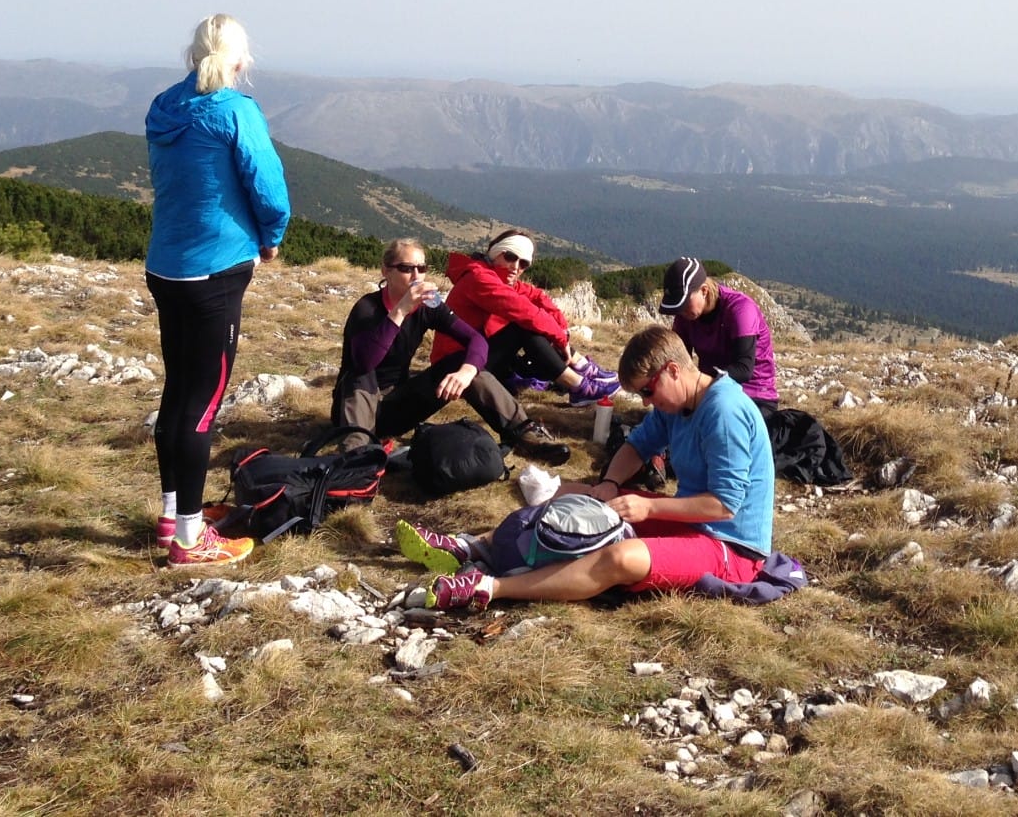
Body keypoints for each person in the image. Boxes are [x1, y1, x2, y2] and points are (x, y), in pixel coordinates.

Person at [412, 323, 775, 611]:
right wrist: (611, 484)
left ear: (673, 371)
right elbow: (636, 446)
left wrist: (647, 506)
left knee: (619, 558)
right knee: (577, 496)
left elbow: (725, 507)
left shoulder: (723, 412)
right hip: (694, 523)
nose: (647, 402)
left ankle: (489, 588)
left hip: (732, 548)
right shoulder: (679, 405)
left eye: (648, 391)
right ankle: (473, 548)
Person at [144, 14, 291, 569]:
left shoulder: (163, 106)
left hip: (166, 266)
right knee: (202, 406)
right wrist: (271, 237)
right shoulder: (235, 110)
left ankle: (170, 517)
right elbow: (267, 184)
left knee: (178, 393)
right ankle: (188, 539)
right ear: (239, 60)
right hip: (216, 270)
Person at [332, 238, 572, 465]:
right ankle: (357, 462)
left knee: (461, 362)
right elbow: (364, 363)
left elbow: (475, 340)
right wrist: (400, 311)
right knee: (358, 372)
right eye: (406, 268)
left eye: (422, 268)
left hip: (395, 407)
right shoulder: (367, 308)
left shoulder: (429, 303)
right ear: (386, 271)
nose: (416, 276)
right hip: (353, 409)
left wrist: (467, 371)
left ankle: (523, 434)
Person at [433, 230, 618, 405]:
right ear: (495, 252)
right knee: (524, 327)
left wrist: (561, 330)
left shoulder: (495, 277)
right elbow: (525, 312)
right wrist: (561, 339)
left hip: (472, 355)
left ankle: (582, 368)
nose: (515, 267)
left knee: (538, 327)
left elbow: (537, 297)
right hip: (456, 367)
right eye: (510, 257)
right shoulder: (479, 279)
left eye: (523, 263)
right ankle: (580, 386)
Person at [660, 256, 779, 415]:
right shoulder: (685, 316)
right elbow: (678, 357)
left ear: (704, 291)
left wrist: (697, 382)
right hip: (709, 389)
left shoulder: (740, 310)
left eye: (684, 304)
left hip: (754, 395)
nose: (680, 311)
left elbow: (744, 369)